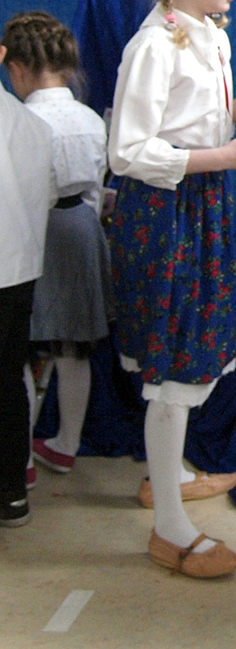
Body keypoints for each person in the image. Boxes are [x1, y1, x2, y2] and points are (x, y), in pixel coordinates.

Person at [107, 0, 236, 578]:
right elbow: (127, 151)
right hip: (166, 213)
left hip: (200, 203)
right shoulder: (153, 46)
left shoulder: (207, 34)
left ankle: (168, 473)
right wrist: (224, 157)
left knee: (193, 341)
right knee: (174, 356)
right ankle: (169, 525)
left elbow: (189, 122)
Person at [2, 12, 113, 486]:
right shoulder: (90, 118)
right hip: (83, 230)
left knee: (21, 351)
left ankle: (20, 459)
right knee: (73, 349)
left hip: (35, 234)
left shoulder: (22, 120)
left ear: (17, 68)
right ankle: (67, 445)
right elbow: (97, 187)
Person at [0, 56, 55, 527]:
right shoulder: (32, 125)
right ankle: (12, 493)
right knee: (8, 379)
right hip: (19, 271)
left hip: (14, 266)